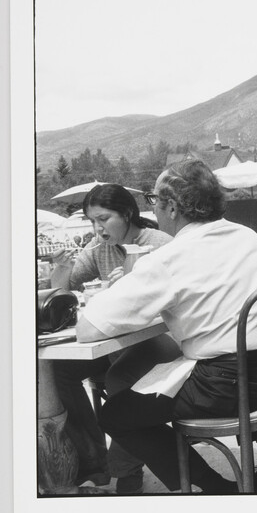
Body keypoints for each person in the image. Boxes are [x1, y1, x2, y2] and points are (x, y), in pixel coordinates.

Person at [79, 160, 257, 494]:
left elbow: (88, 329)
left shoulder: (170, 256)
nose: (154, 210)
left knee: (116, 414)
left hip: (229, 388)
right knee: (231, 359)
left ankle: (216, 490)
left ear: (170, 206)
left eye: (154, 201)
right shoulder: (246, 236)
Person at [50, 184, 173, 494]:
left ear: (127, 214)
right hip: (113, 341)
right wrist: (61, 268)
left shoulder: (159, 243)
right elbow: (63, 294)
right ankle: (95, 464)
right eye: (92, 221)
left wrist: (128, 287)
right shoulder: (98, 248)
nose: (97, 228)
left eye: (103, 219)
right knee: (58, 373)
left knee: (122, 376)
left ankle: (124, 467)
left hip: (160, 340)